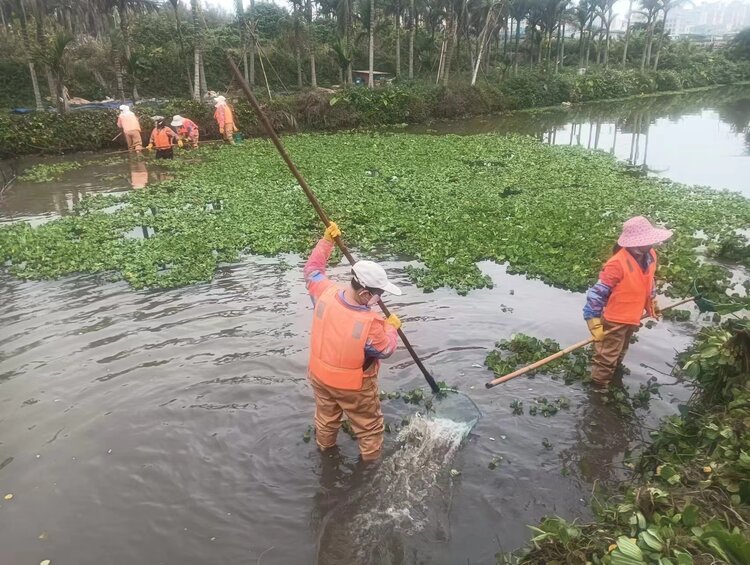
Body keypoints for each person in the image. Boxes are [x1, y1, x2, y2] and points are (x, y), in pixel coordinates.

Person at [304, 222, 403, 461]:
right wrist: (392, 329)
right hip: (353, 386)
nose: (380, 299)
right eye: (379, 294)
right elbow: (385, 350)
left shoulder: (324, 291)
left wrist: (326, 241)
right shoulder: (372, 324)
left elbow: (312, 269)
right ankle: (369, 469)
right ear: (366, 294)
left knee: (326, 421)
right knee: (369, 427)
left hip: (319, 377)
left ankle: (325, 453)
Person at [583, 216, 673, 388]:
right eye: (649, 240)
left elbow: (648, 280)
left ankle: (614, 377)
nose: (653, 244)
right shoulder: (616, 264)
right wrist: (594, 323)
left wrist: (652, 302)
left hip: (633, 316)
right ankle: (599, 389)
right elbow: (596, 295)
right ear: (636, 243)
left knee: (621, 351)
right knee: (607, 357)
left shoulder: (651, 255)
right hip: (614, 319)